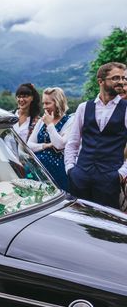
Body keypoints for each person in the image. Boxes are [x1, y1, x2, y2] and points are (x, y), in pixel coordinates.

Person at [64, 62, 127, 208]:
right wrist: (70, 169)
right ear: (101, 81)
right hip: (80, 176)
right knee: (79, 222)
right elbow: (72, 142)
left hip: (109, 179)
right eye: (116, 78)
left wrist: (120, 174)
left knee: (106, 226)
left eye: (123, 78)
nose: (122, 82)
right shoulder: (84, 107)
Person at [26, 87, 74, 190]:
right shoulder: (41, 121)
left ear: (58, 103)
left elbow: (60, 145)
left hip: (57, 171)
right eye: (43, 103)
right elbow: (29, 145)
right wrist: (46, 145)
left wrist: (50, 125)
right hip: (36, 169)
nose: (44, 107)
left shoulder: (70, 121)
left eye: (48, 103)